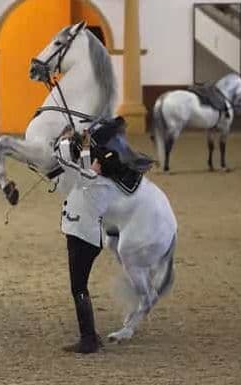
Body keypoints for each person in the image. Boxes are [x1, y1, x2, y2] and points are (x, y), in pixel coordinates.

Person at [55, 117, 154, 354]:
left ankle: (88, 339)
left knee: (78, 288)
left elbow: (80, 172)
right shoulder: (100, 180)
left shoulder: (95, 182)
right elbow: (81, 171)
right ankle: (90, 336)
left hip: (83, 237)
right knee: (79, 287)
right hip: (83, 235)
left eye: (97, 164)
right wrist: (86, 146)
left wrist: (75, 145)